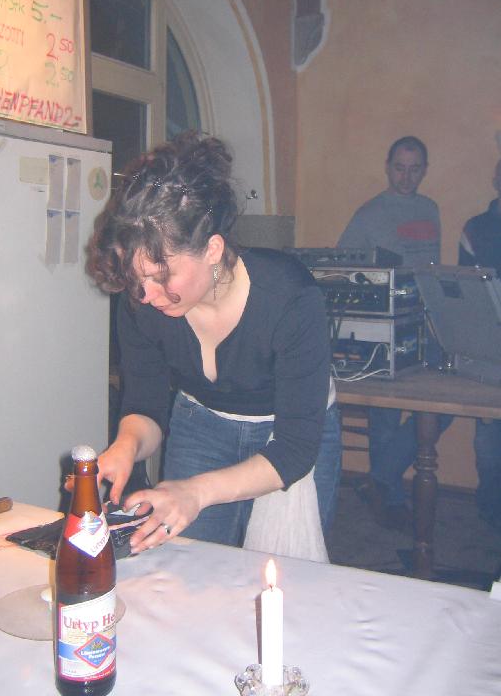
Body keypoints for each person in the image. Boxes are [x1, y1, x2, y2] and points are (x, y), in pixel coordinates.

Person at [83, 131, 341, 557]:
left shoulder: (290, 298)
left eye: (161, 276)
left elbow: (295, 450)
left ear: (213, 250)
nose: (147, 295)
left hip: (286, 434)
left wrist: (196, 492)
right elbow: (145, 406)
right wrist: (126, 445)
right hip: (202, 425)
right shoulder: (142, 303)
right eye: (137, 279)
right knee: (190, 564)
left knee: (283, 576)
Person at [338, 136, 445, 532]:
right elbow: (344, 268)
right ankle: (392, 498)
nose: (406, 176)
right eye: (400, 168)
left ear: (425, 170)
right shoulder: (369, 214)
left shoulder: (431, 209)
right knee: (385, 417)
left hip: (425, 326)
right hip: (382, 329)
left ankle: (379, 476)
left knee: (444, 406)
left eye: (414, 169)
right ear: (387, 167)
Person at [458, 159, 501, 532]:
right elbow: (466, 293)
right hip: (492, 349)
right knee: (489, 444)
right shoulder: (477, 229)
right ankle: (490, 511)